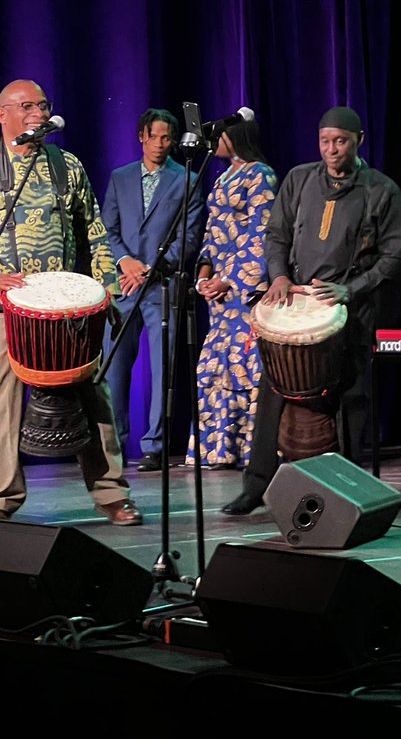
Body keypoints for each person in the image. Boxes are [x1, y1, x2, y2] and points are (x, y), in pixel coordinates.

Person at [222, 105, 401, 515]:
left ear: (358, 141)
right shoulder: (299, 179)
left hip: (348, 310)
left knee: (351, 401)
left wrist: (350, 289)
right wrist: (279, 276)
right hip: (297, 303)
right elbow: (276, 235)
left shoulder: (381, 190)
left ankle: (348, 488)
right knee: (273, 393)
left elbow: (394, 258)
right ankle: (257, 485)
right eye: (325, 141)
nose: (331, 150)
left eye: (340, 141)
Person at [0, 79, 141, 525]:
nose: (37, 113)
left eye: (42, 105)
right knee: (4, 398)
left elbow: (95, 234)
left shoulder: (67, 166)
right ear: (3, 114)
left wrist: (105, 294)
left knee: (92, 393)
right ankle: (3, 495)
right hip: (9, 309)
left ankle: (111, 493)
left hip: (66, 309)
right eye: (26, 106)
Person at [101, 108, 205, 473]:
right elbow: (107, 230)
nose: (161, 144)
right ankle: (111, 445)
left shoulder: (186, 178)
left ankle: (155, 446)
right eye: (155, 136)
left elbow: (189, 237)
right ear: (141, 136)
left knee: (164, 369)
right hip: (123, 286)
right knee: (113, 369)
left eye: (167, 138)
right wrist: (125, 262)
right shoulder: (120, 177)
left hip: (162, 285)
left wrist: (152, 268)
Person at [189, 120, 277, 475]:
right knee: (213, 368)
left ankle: (252, 452)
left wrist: (230, 280)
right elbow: (211, 235)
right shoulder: (221, 177)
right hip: (220, 293)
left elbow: (263, 232)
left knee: (245, 368)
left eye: (221, 136)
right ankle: (218, 448)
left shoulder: (261, 175)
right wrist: (205, 274)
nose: (216, 142)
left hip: (244, 291)